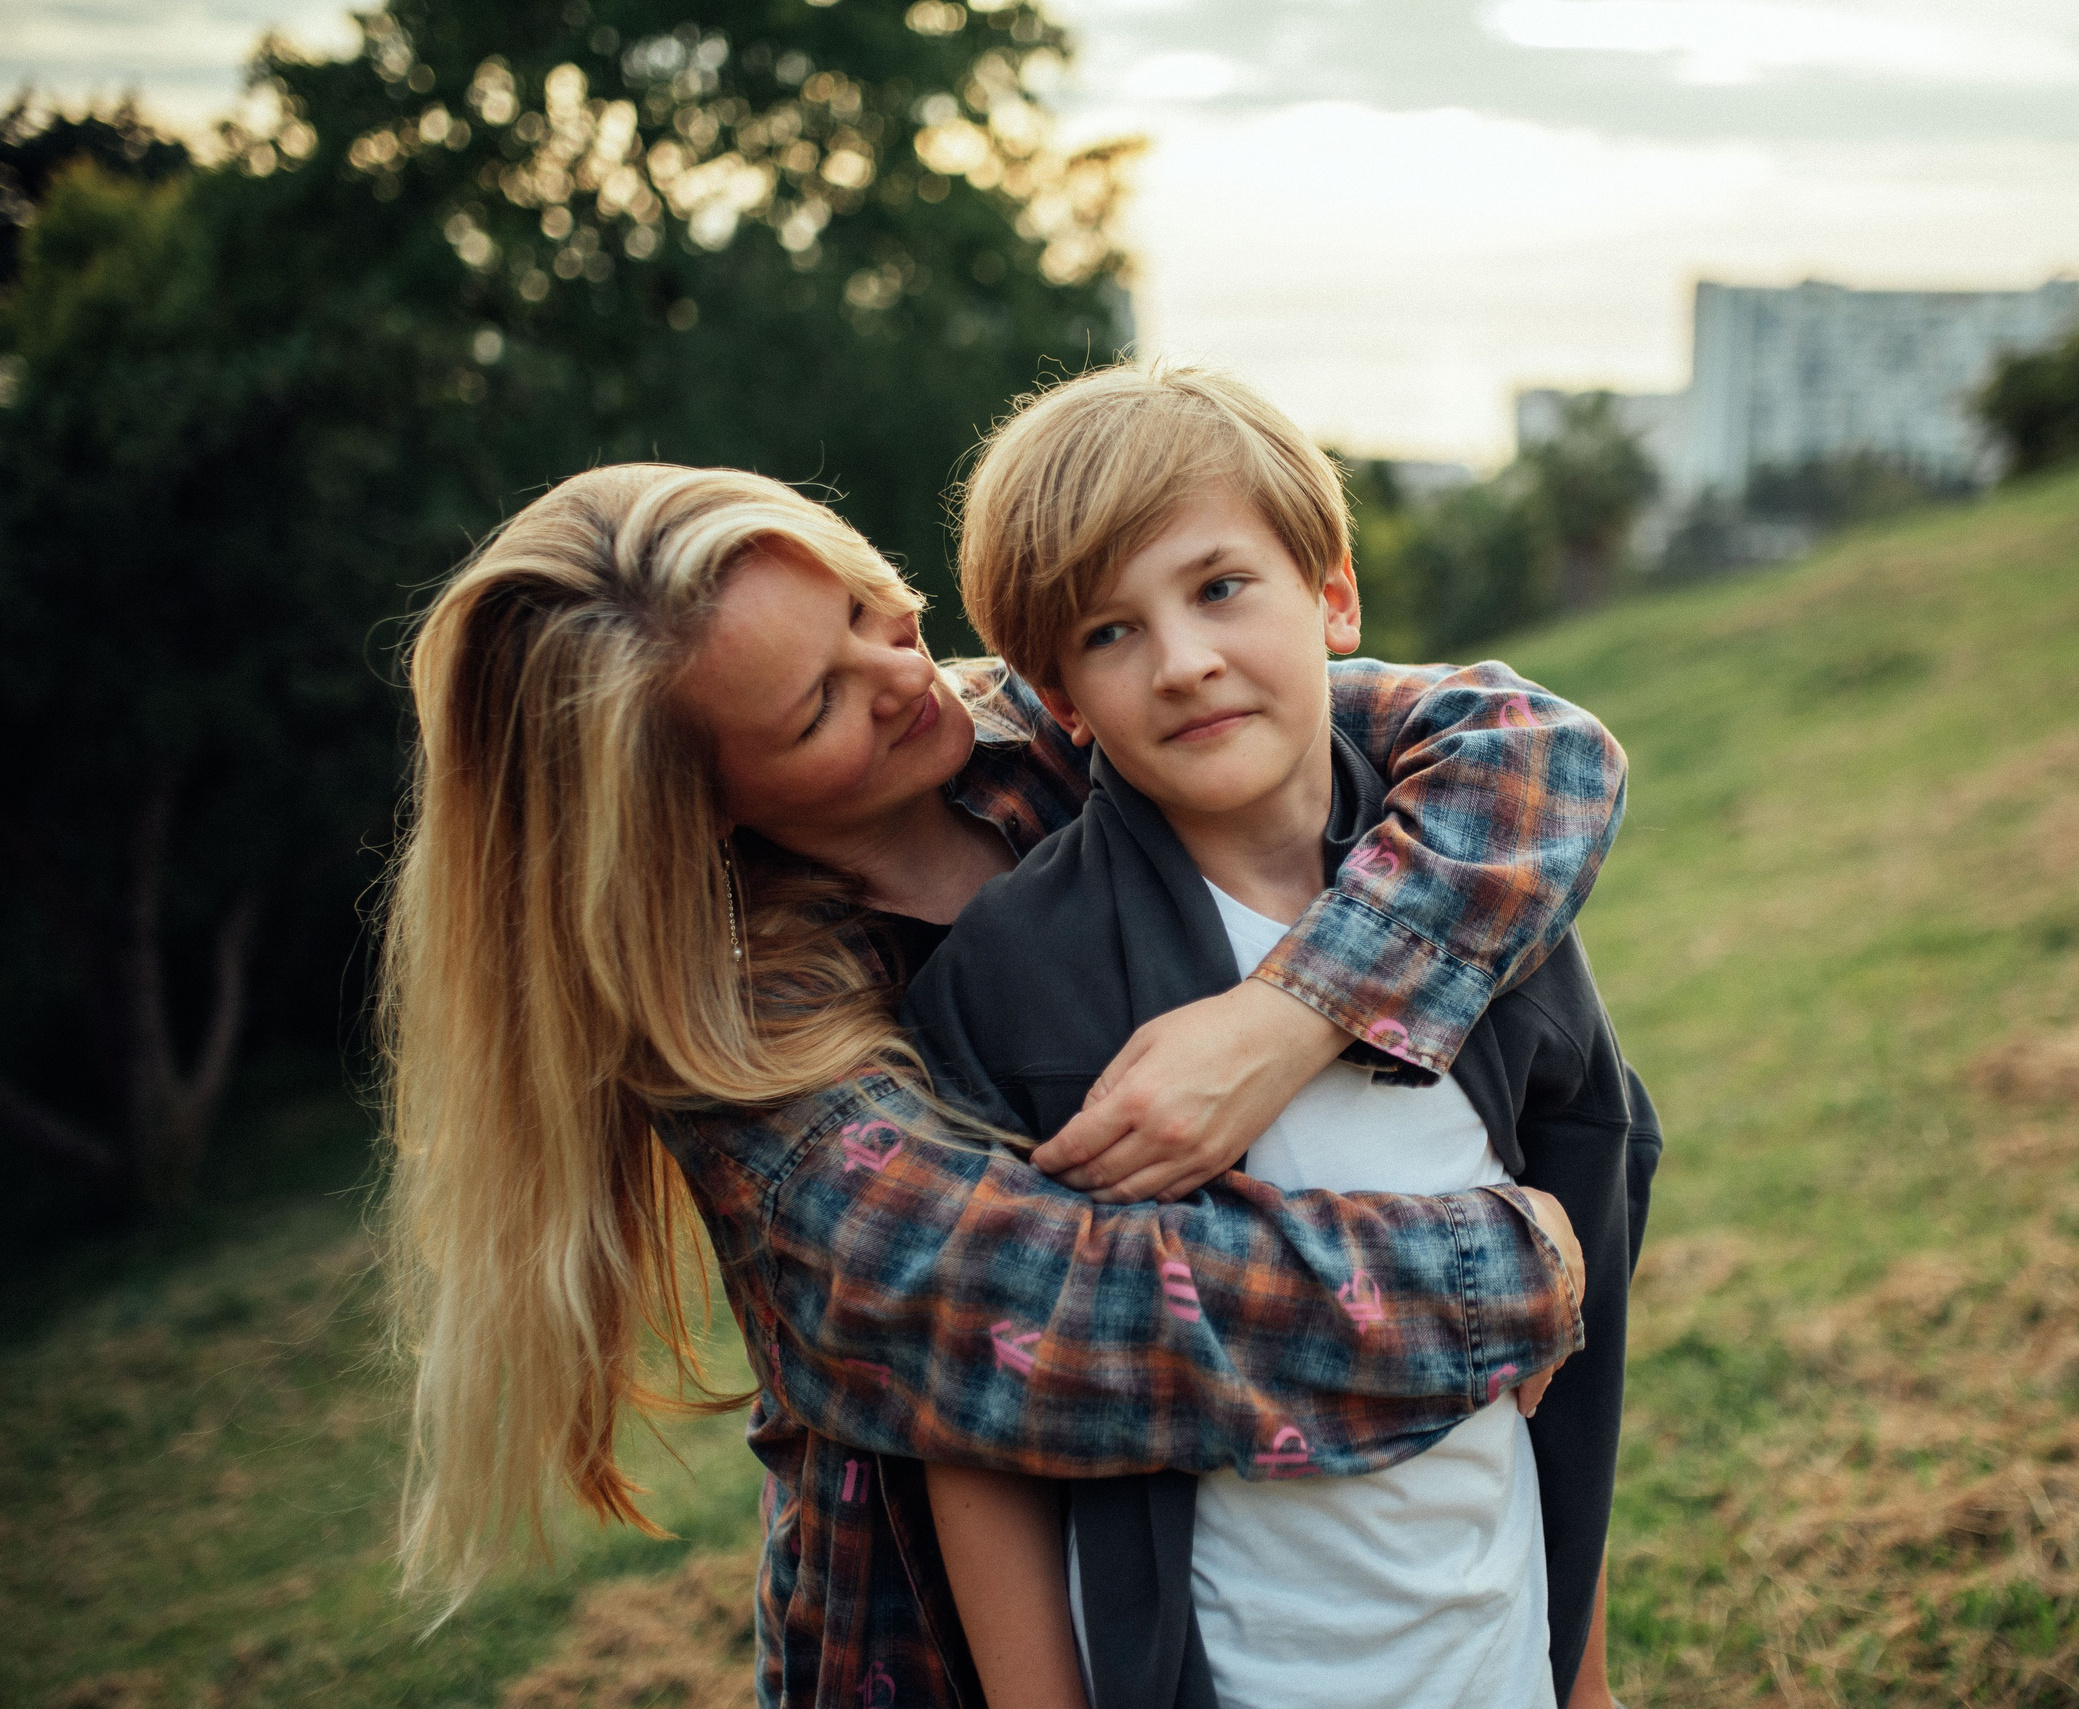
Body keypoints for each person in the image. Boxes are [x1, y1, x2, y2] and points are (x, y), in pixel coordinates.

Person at [377, 457, 1632, 1708]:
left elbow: (1530, 754)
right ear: (685, 807)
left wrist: (1290, 1011)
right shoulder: (750, 1046)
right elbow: (1074, 1312)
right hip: (941, 1645)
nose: (909, 677)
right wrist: (1505, 1274)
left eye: (874, 607)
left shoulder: (1048, 723)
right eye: (820, 702)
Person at [903, 364, 1657, 1709]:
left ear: (1333, 596)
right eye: (1108, 632)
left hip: (1489, 1654)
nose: (1183, 659)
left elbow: (1573, 1345)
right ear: (1062, 698)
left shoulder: (1493, 926)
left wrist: (1578, 1684)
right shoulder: (1013, 983)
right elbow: (977, 1410)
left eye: (1219, 588)